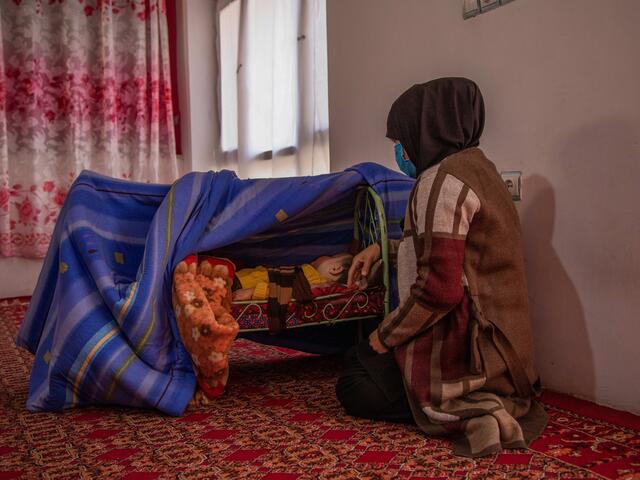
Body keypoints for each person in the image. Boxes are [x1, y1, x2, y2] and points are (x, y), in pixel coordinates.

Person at [336, 77, 548, 457]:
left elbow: (439, 289)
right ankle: (484, 401)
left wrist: (384, 337)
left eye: (399, 141)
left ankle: (473, 409)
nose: (399, 152)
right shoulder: (480, 170)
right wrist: (382, 251)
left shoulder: (440, 181)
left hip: (473, 351)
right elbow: (445, 252)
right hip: (507, 351)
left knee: (353, 379)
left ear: (426, 128)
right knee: (361, 358)